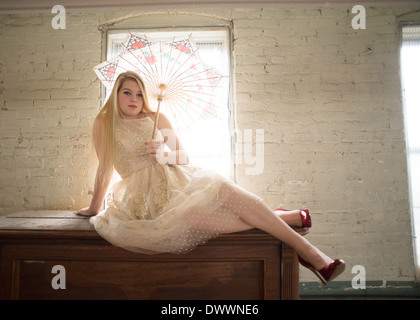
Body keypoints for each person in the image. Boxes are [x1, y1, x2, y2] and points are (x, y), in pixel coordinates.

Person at [76, 71, 345, 285]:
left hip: (179, 178)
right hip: (147, 200)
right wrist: (94, 207)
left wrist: (163, 154)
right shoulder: (104, 123)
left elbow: (183, 157)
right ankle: (284, 217)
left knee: (228, 190)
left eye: (138, 93)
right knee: (199, 221)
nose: (133, 98)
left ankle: (313, 256)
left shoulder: (157, 116)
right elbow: (104, 168)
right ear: (116, 94)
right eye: (127, 92)